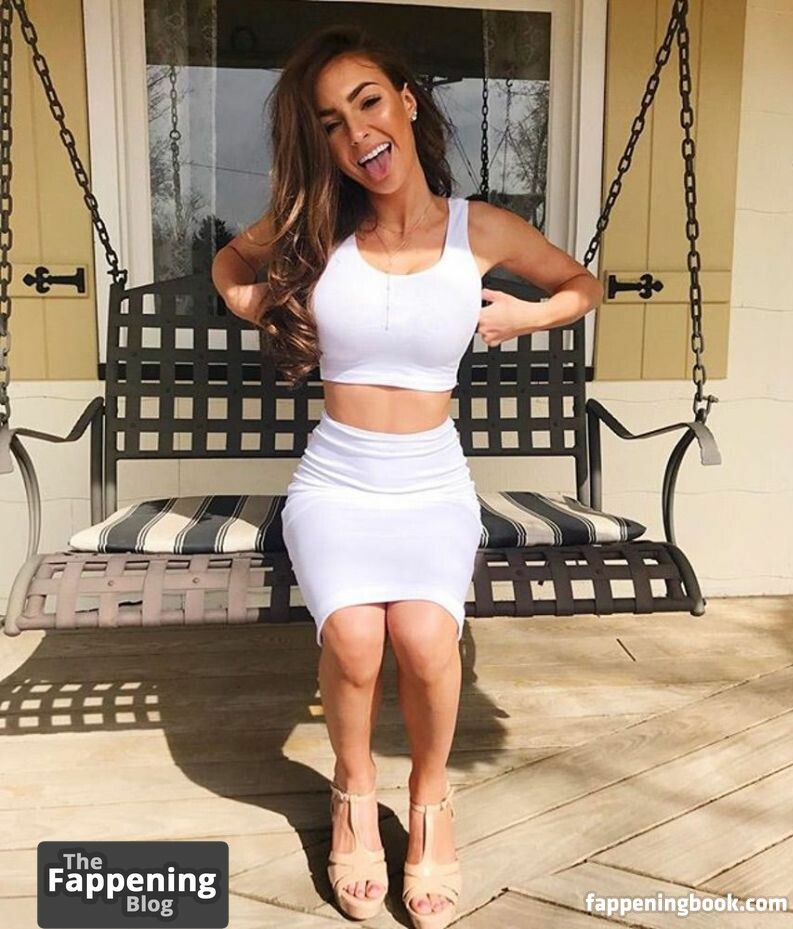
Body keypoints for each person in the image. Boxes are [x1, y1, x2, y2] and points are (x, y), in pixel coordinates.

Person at [212, 23, 603, 929]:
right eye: (332, 123)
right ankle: (354, 790)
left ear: (407, 103)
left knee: (427, 640)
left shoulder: (479, 230)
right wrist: (262, 303)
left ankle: (430, 803)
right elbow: (230, 262)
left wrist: (527, 317)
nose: (358, 134)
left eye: (368, 103)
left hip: (430, 482)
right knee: (355, 641)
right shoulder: (318, 229)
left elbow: (583, 284)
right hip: (337, 483)